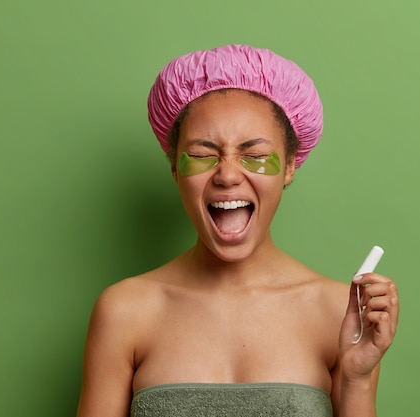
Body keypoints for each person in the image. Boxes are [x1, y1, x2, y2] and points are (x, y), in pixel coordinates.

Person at [76, 44, 399, 417]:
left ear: (290, 166)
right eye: (201, 154)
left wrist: (357, 380)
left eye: (255, 155)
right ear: (174, 168)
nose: (228, 174)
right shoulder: (125, 311)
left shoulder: (339, 312)